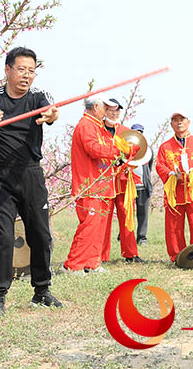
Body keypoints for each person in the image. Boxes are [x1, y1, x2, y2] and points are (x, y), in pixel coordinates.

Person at [0, 46, 61, 316]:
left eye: (31, 71)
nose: (27, 76)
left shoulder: (39, 96)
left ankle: (41, 291)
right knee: (3, 237)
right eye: (21, 69)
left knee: (40, 234)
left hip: (31, 173)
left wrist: (52, 115)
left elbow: (52, 112)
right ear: (7, 70)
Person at [63, 96, 132, 274]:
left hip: (103, 185)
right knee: (89, 225)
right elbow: (93, 149)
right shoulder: (86, 125)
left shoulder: (98, 127)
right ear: (95, 107)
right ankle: (73, 265)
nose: (107, 112)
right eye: (105, 108)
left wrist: (120, 156)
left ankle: (92, 262)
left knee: (100, 227)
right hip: (89, 185)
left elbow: (107, 153)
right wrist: (119, 151)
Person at [155, 110, 193, 263]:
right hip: (175, 192)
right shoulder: (165, 147)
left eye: (182, 119)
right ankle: (177, 257)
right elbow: (160, 166)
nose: (179, 122)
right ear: (171, 124)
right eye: (175, 120)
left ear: (189, 122)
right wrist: (171, 175)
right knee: (174, 227)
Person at [101, 98, 144, 263]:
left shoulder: (126, 132)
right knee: (104, 219)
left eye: (117, 110)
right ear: (104, 111)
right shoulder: (98, 131)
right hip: (104, 181)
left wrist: (129, 165)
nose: (114, 113)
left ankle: (131, 253)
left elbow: (138, 153)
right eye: (111, 110)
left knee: (127, 217)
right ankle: (101, 256)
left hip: (124, 181)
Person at [130, 123, 154, 245]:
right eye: (135, 132)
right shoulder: (125, 148)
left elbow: (149, 167)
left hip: (143, 186)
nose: (137, 134)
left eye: (140, 132)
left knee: (143, 214)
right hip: (129, 186)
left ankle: (142, 238)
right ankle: (125, 236)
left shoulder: (148, 150)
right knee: (128, 213)